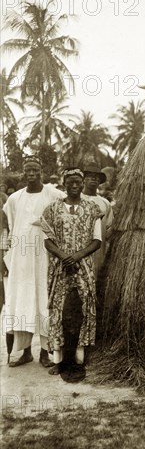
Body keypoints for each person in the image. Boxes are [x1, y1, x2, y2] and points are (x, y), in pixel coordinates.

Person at [2, 156, 65, 367]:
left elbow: (71, 206)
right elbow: (7, 226)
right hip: (21, 261)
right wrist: (4, 254)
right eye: (28, 169)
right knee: (23, 303)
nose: (31, 173)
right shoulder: (14, 199)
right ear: (23, 171)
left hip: (45, 258)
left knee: (44, 302)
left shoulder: (54, 194)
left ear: (41, 171)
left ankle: (45, 353)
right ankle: (25, 352)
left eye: (35, 169)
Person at [41, 168, 102, 381]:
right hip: (60, 267)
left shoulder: (92, 208)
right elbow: (48, 240)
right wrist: (64, 256)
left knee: (84, 308)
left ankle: (79, 358)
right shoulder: (52, 209)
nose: (74, 186)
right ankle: (59, 361)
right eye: (70, 182)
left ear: (82, 183)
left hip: (83, 266)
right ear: (64, 184)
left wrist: (77, 256)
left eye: (78, 182)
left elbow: (96, 240)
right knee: (59, 309)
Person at [81, 163, 113, 275]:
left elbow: (109, 228)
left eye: (97, 177)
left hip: (97, 251)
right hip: (77, 249)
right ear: (83, 179)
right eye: (90, 175)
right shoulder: (74, 199)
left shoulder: (105, 203)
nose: (94, 179)